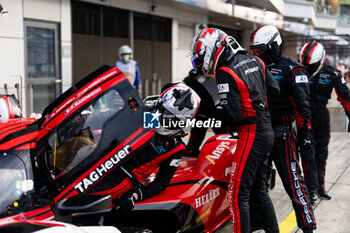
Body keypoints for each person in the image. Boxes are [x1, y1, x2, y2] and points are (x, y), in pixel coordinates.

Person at [190, 25, 280, 233]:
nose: (201, 62)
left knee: (237, 195)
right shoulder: (256, 60)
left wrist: (210, 116)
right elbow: (274, 91)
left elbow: (233, 114)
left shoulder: (225, 71)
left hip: (251, 135)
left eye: (201, 56)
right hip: (267, 131)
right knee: (260, 192)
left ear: (213, 49)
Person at [87, 83, 200, 211]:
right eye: (166, 114)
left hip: (122, 178)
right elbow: (112, 117)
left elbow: (161, 183)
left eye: (174, 120)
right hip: (104, 157)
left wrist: (135, 195)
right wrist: (86, 118)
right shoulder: (143, 112)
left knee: (80, 198)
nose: (167, 122)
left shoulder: (176, 147)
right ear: (160, 105)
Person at [250, 25, 317, 233]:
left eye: (260, 49)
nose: (256, 53)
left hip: (283, 136)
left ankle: (308, 226)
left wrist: (305, 137)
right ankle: (258, 222)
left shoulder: (293, 70)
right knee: (256, 185)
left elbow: (304, 108)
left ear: (272, 45)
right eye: (254, 49)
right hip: (260, 134)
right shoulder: (255, 67)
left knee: (294, 185)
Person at [299, 41, 350, 201]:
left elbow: (346, 97)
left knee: (322, 153)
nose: (308, 68)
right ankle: (310, 189)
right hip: (303, 116)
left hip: (322, 116)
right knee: (309, 153)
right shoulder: (297, 71)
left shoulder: (333, 73)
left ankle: (320, 187)